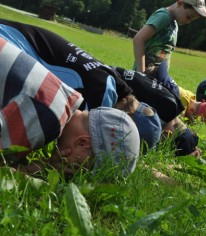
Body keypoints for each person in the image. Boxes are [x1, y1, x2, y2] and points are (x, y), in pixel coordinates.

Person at [0, 18, 162, 152]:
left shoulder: (111, 81)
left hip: (12, 38)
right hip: (10, 41)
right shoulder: (102, 97)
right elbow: (55, 131)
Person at [0, 37, 140, 174]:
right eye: (77, 171)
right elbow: (4, 170)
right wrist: (31, 171)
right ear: (83, 143)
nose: (66, 174)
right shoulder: (48, 117)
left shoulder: (62, 98)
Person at [133, 0, 206, 73]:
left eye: (191, 20)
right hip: (144, 76)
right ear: (180, 3)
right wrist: (141, 73)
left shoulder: (174, 24)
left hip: (155, 77)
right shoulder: (163, 16)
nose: (188, 22)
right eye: (188, 16)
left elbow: (164, 50)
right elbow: (139, 39)